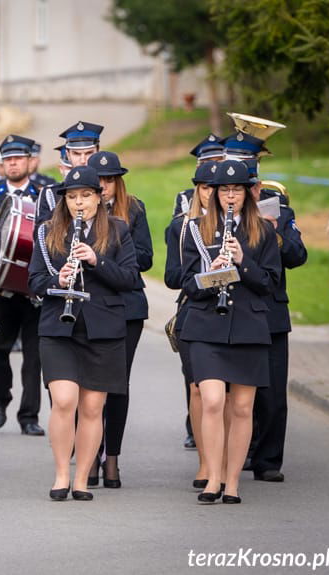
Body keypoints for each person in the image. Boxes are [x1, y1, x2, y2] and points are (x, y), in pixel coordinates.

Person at [28, 165, 140, 502]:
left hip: (103, 328)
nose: (79, 203)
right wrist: (56, 281)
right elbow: (33, 281)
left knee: (93, 408)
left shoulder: (118, 229)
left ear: (99, 197)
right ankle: (61, 473)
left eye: (86, 196)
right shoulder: (48, 231)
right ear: (64, 200)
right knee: (63, 400)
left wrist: (96, 260)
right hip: (58, 327)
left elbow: (131, 279)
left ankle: (81, 478)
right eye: (72, 197)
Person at [179, 159, 281, 504]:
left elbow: (269, 284)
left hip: (249, 327)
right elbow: (187, 284)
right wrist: (215, 274)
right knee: (211, 401)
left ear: (247, 193)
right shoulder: (195, 229)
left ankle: (233, 483)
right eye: (225, 190)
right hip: (206, 324)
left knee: (241, 408)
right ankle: (212, 477)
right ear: (216, 194)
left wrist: (242, 262)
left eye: (237, 189)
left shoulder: (263, 232)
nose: (231, 196)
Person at [86, 151, 152, 487]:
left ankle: (112, 457)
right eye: (98, 181)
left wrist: (114, 243)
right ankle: (91, 456)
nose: (103, 186)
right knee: (91, 386)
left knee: (117, 385)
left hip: (126, 306)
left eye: (109, 180)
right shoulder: (78, 210)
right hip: (92, 305)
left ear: (117, 182)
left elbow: (145, 258)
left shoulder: (134, 209)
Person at [247, 160, 307, 483]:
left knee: (272, 392)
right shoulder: (222, 207)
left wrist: (275, 236)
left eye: (254, 182)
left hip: (271, 309)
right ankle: (239, 449)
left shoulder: (278, 208)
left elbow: (298, 255)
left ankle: (268, 459)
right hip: (236, 309)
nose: (252, 190)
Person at [0, 135, 45, 436]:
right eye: (7, 159)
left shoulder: (45, 194)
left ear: (29, 162)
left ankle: (29, 416)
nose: (12, 163)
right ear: (1, 164)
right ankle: (1, 396)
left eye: (18, 158)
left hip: (33, 288)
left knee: (35, 357)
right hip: (0, 287)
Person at [164, 161, 218, 488]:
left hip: (237, 315)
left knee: (228, 395)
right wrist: (204, 277)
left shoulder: (244, 226)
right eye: (207, 187)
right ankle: (205, 462)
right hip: (195, 311)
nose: (213, 194)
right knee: (198, 390)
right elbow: (172, 277)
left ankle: (226, 456)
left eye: (223, 188)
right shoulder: (182, 227)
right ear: (197, 190)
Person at [36, 122, 102, 225]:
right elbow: (41, 236)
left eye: (89, 153)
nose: (83, 160)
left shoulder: (108, 187)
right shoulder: (51, 194)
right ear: (68, 155)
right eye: (76, 154)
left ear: (98, 152)